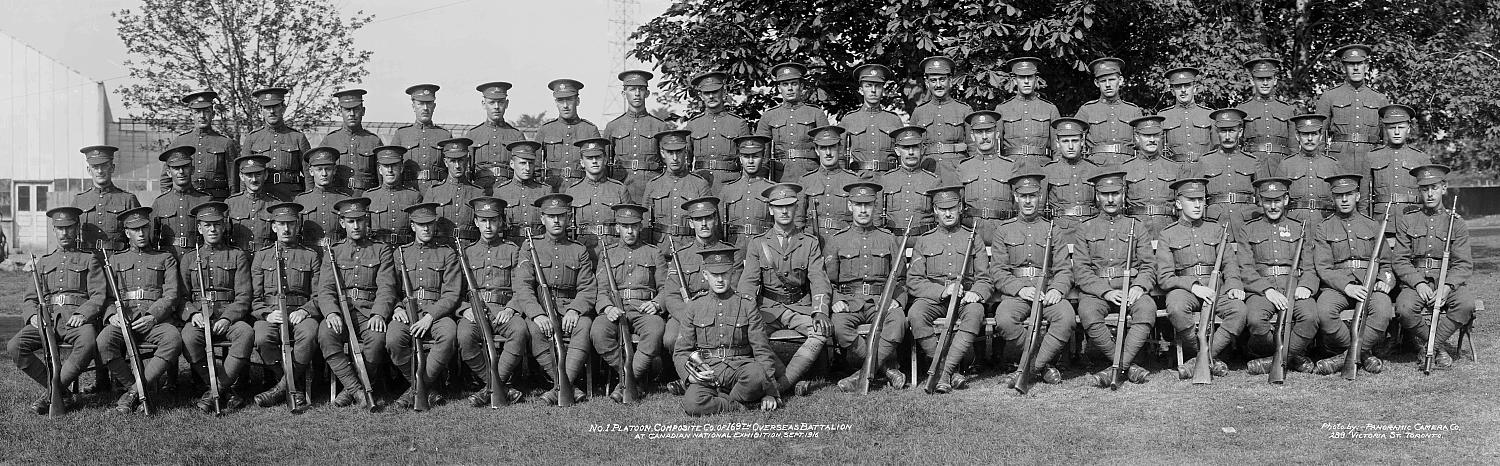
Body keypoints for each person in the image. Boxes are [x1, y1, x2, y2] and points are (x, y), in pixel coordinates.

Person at [9, 206, 104, 415]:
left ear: (77, 228)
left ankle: (51, 394)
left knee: (87, 343)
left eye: (69, 228)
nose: (64, 233)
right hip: (48, 320)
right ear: (53, 231)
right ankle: (63, 393)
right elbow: (30, 298)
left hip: (76, 320)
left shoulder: (90, 259)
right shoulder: (44, 263)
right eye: (59, 228)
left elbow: (98, 295)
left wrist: (83, 314)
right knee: (15, 346)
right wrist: (33, 316)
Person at [739, 183, 831, 396]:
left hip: (800, 307)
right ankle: (790, 380)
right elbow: (749, 282)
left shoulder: (809, 243)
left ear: (796, 207)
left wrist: (819, 311)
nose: (784, 211)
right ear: (770, 209)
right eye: (779, 206)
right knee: (751, 334)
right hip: (768, 308)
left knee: (821, 332)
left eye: (789, 206)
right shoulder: (758, 244)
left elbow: (819, 278)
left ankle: (781, 386)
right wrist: (748, 310)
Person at [1155, 177, 1247, 378]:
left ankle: (1201, 358)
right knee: (1176, 307)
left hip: (1217, 290)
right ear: (1179, 203)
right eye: (1191, 200)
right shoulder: (1167, 234)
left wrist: (1233, 285)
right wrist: (1194, 286)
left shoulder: (1216, 230)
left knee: (1239, 310)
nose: (1197, 205)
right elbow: (1164, 277)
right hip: (1185, 290)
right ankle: (1200, 353)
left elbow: (1229, 263)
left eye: (1201, 200)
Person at [990, 170, 1075, 386]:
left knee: (1065, 318)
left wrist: (1057, 290)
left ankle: (1028, 369)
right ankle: (1042, 363)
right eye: (1024, 196)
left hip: (1047, 292)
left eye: (1033, 196)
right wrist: (1019, 289)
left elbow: (1064, 268)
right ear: (1016, 198)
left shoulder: (1052, 230)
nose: (1028, 201)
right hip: (1017, 294)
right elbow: (998, 271)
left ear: (1040, 198)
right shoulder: (1003, 230)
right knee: (1004, 320)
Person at [1073, 170, 1157, 387]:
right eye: (1105, 194)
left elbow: (1149, 265)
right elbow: (1081, 271)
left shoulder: (1136, 227)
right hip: (1097, 291)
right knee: (1088, 312)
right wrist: (1106, 292)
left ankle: (1115, 368)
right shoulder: (1085, 228)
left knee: (1146, 309)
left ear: (1124, 194)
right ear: (1097, 196)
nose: (1110, 199)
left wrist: (1139, 287)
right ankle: (1127, 366)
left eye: (1116, 193)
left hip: (1130, 289)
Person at [676, 246, 781, 416]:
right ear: (705, 275)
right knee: (692, 404)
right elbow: (681, 351)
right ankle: (737, 405)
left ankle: (720, 399)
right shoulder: (695, 306)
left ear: (732, 273)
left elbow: (762, 350)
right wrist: (690, 377)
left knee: (756, 375)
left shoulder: (747, 304)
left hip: (740, 368)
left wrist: (770, 392)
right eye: (714, 275)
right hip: (707, 370)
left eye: (724, 274)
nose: (719, 280)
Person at [906, 185, 991, 393]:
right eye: (942, 209)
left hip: (964, 299)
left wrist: (976, 293)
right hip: (934, 299)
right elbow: (914, 280)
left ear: (960, 207)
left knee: (976, 312)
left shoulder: (973, 238)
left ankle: (943, 373)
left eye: (952, 208)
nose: (948, 213)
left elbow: (985, 278)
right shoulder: (924, 241)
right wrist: (941, 292)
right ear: (935, 210)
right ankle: (948, 371)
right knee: (916, 314)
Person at [98, 206, 183, 414]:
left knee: (173, 339)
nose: (141, 234)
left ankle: (132, 393)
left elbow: (171, 294)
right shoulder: (115, 261)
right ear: (127, 233)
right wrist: (112, 315)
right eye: (136, 230)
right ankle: (135, 388)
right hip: (124, 320)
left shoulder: (165, 258)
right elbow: (108, 296)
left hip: (155, 320)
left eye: (144, 228)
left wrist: (153, 317)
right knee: (103, 343)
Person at [514, 193, 597, 404]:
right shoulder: (530, 246)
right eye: (551, 217)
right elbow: (523, 286)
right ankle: (566, 385)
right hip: (542, 307)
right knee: (534, 329)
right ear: (542, 219)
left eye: (561, 216)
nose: (557, 221)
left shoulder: (579, 250)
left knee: (585, 325)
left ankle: (560, 386)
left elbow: (587, 287)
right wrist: (537, 314)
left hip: (569, 307)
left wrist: (575, 310)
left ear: (568, 218)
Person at [826, 182, 909, 391]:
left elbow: (902, 279)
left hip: (881, 301)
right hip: (849, 302)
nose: (863, 210)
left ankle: (860, 373)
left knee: (898, 320)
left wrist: (897, 300)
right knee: (839, 325)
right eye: (858, 205)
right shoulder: (837, 241)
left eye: (868, 205)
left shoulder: (888, 239)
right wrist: (836, 301)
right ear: (849, 206)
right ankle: (886, 368)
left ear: (875, 207)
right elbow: (828, 281)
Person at [1308, 173, 1393, 375]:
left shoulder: (1372, 225)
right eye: (1339, 196)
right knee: (1324, 312)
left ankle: (1345, 357)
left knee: (1382, 310)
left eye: (1349, 194)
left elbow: (1387, 263)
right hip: (1338, 285)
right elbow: (1324, 267)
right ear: (1333, 198)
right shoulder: (1324, 227)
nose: (1344, 200)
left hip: (1369, 282)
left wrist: (1384, 281)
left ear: (1357, 196)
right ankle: (1362, 354)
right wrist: (1347, 286)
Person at [316, 197, 397, 408]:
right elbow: (325, 289)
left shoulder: (381, 250)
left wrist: (379, 313)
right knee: (326, 335)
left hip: (369, 311)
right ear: (342, 223)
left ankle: (350, 390)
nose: (356, 225)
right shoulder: (333, 252)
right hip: (342, 312)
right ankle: (358, 391)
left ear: (366, 221)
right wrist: (331, 313)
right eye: (350, 221)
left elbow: (386, 287)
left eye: (360, 220)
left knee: (378, 339)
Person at [1392, 164, 1473, 369]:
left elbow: (1463, 263)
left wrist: (1446, 287)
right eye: (1425, 189)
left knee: (1465, 305)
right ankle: (1440, 348)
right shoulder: (1407, 220)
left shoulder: (1456, 223)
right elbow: (1400, 260)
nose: (1430, 193)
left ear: (1443, 188)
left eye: (1434, 188)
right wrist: (1418, 283)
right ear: (1419, 191)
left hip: (1446, 281)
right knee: (1404, 309)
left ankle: (1431, 346)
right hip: (1416, 280)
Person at [1238, 178, 1319, 375]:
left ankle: (1277, 359)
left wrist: (1306, 286)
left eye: (1277, 200)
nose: (1273, 206)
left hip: (1294, 286)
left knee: (1310, 318)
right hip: (1262, 289)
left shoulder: (1298, 228)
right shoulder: (1248, 229)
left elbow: (1309, 265)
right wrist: (1267, 290)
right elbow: (1246, 268)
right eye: (1267, 201)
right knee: (1256, 321)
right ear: (1260, 201)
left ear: (1286, 200)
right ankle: (1289, 356)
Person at [178, 201, 254, 413]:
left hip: (227, 317)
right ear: (200, 228)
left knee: (246, 333)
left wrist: (227, 318)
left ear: (224, 226)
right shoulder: (188, 259)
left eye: (217, 225)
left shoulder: (237, 255)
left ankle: (217, 388)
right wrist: (192, 314)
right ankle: (222, 390)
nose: (212, 230)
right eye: (207, 225)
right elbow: (182, 297)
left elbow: (243, 296)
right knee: (188, 337)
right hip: (200, 318)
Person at [453, 197, 528, 406]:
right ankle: (499, 387)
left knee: (520, 331)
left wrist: (512, 309)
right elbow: (456, 291)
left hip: (504, 310)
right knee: (464, 337)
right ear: (476, 222)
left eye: (493, 221)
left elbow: (521, 287)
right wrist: (465, 309)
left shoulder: (513, 251)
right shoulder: (466, 253)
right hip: (475, 311)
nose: (488, 226)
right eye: (483, 220)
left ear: (501, 222)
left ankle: (490, 388)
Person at [661, 196, 739, 396]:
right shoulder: (681, 255)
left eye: (709, 218)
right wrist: (689, 315)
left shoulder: (728, 253)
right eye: (698, 220)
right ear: (691, 223)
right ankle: (684, 375)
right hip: (686, 314)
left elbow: (734, 290)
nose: (704, 224)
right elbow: (670, 295)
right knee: (671, 338)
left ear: (716, 220)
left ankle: (710, 378)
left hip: (719, 311)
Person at [592, 203, 668, 403]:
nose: (630, 231)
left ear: (640, 227)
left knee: (656, 329)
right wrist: (607, 308)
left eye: (634, 226)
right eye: (625, 226)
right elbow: (600, 290)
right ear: (617, 228)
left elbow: (666, 287)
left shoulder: (654, 253)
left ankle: (625, 381)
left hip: (644, 310)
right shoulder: (607, 254)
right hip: (616, 309)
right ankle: (631, 378)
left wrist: (657, 304)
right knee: (598, 332)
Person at [249, 202, 323, 409]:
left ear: (298, 226)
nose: (286, 229)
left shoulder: (310, 256)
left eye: (291, 224)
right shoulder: (262, 256)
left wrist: (305, 310)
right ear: (273, 227)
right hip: (272, 313)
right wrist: (266, 315)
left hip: (301, 312)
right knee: (262, 338)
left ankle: (280, 389)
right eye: (281, 224)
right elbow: (255, 298)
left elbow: (318, 294)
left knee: (309, 335)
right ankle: (292, 385)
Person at [386, 202, 460, 409]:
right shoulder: (400, 253)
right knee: (393, 340)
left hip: (436, 311)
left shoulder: (447, 253)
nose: (426, 229)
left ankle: (417, 388)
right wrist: (397, 308)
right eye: (421, 224)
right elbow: (391, 288)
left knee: (449, 334)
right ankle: (428, 387)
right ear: (412, 227)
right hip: (406, 311)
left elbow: (452, 294)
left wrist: (430, 317)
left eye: (429, 224)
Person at [1314, 44, 1391, 173]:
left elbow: (1388, 139)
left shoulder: (1379, 99)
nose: (1356, 68)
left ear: (1366, 66)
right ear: (1343, 67)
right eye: (1350, 64)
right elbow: (1319, 135)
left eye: (1359, 63)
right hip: (1339, 161)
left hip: (1371, 159)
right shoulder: (1329, 96)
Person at [757, 62, 828, 181]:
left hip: (811, 173)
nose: (789, 88)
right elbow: (762, 154)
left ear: (801, 86)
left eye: (794, 84)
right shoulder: (769, 116)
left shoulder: (815, 113)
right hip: (781, 175)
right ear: (779, 88)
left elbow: (828, 147)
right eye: (785, 84)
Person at [607, 70, 671, 200]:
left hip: (652, 187)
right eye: (632, 89)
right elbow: (606, 163)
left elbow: (668, 162)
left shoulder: (660, 126)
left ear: (647, 93)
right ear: (623, 94)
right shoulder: (613, 127)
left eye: (641, 89)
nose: (637, 94)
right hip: (622, 187)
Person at [642, 129, 712, 244]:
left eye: (678, 152)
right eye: (670, 152)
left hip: (689, 249)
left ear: (685, 152)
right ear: (662, 153)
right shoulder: (653, 185)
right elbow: (645, 224)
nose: (675, 158)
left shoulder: (700, 184)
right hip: (660, 249)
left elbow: (710, 224)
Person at [684, 71, 750, 189]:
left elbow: (748, 160)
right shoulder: (693, 125)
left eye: (715, 92)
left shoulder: (738, 123)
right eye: (706, 93)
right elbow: (685, 162)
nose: (711, 96)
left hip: (730, 183)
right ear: (701, 96)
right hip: (700, 183)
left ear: (723, 92)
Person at [242, 87, 312, 199]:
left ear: (283, 108)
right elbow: (244, 172)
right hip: (262, 195)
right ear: (261, 110)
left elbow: (309, 173)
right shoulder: (252, 138)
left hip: (291, 195)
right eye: (267, 107)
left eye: (275, 106)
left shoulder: (297, 137)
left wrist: (310, 198)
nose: (271, 111)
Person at [167, 90, 238, 198]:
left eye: (206, 111)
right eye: (197, 112)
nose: (202, 116)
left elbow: (233, 180)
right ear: (192, 115)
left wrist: (232, 204)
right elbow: (166, 178)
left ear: (213, 114)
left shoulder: (225, 143)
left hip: (217, 199)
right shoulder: (180, 142)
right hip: (189, 198)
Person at [910, 55, 971, 178]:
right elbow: (911, 147)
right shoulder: (919, 112)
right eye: (933, 80)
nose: (938, 85)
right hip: (927, 171)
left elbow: (973, 147)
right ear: (927, 83)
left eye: (942, 79)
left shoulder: (964, 110)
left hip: (957, 170)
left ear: (951, 80)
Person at [1198, 108, 1261, 229]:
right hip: (1215, 222)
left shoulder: (1252, 161)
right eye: (1223, 131)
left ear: (1240, 132)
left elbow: (1261, 199)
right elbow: (1199, 199)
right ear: (1217, 132)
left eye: (1231, 131)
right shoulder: (1205, 161)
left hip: (1246, 222)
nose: (1227, 136)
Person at [1366, 104, 1431, 220]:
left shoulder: (1421, 158)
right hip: (1382, 222)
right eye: (1391, 128)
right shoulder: (1372, 157)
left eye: (1401, 127)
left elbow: (1431, 195)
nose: (1396, 132)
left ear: (1409, 129)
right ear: (1385, 129)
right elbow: (1363, 198)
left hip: (1413, 221)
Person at [1075, 57, 1145, 167]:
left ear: (1120, 80)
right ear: (1096, 83)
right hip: (1096, 167)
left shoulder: (1133, 111)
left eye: (1112, 80)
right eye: (1103, 81)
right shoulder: (1086, 110)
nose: (1108, 85)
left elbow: (1143, 145)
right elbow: (1072, 141)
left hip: (1128, 166)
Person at [564, 137, 630, 251]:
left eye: (598, 157)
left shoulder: (619, 189)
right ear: (582, 163)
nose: (594, 161)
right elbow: (567, 228)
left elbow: (630, 223)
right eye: (589, 158)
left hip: (614, 250)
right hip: (584, 251)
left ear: (605, 160)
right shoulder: (572, 191)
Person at [955, 111, 1016, 230]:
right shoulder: (963, 167)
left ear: (997, 134)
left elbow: (1018, 206)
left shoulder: (1010, 167)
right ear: (972, 136)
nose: (984, 137)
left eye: (988, 131)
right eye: (979, 132)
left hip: (1003, 232)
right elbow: (957, 206)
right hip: (972, 233)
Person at [536, 79, 602, 189]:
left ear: (577, 101)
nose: (565, 105)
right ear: (556, 102)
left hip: (583, 189)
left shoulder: (590, 130)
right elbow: (535, 167)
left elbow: (600, 166)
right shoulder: (545, 130)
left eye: (569, 100)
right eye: (561, 101)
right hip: (553, 190)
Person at [839, 63, 903, 175]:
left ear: (883, 89)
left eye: (878, 86)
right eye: (868, 85)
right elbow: (840, 156)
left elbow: (903, 155)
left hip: (888, 179)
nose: (873, 90)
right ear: (860, 90)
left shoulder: (894, 120)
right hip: (859, 180)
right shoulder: (849, 120)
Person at [73, 145, 140, 252]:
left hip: (118, 260)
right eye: (95, 167)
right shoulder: (79, 200)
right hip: (88, 260)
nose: (100, 171)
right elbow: (71, 234)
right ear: (89, 170)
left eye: (104, 166)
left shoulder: (127, 199)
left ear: (112, 168)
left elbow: (138, 235)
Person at [1235, 57, 1297, 174]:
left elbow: (1293, 144)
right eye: (1260, 79)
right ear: (1252, 81)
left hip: (1281, 164)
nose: (1264, 83)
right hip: (1253, 164)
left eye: (1268, 78)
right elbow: (1237, 143)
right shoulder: (1242, 109)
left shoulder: (1286, 109)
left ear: (1275, 80)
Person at [994, 57, 1060, 166]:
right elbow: (996, 147)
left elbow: (1057, 148)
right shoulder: (1002, 109)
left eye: (1029, 77)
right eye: (1021, 77)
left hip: (1042, 166)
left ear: (1036, 79)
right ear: (1014, 80)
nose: (1026, 82)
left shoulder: (1050, 109)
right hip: (1012, 166)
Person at [1122, 116, 1181, 235]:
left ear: (1161, 138)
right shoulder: (1125, 168)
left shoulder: (1174, 168)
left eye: (1156, 135)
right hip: (1137, 228)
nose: (1152, 139)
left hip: (1168, 227)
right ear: (1137, 138)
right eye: (1147, 136)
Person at [1278, 114, 1341, 224]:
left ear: (1321, 136)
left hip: (1325, 221)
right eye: (1305, 134)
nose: (1310, 139)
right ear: (1297, 136)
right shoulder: (1286, 165)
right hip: (1295, 222)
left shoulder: (1333, 165)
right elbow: (1278, 200)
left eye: (1314, 134)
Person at [798, 125, 861, 235]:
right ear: (817, 151)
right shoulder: (806, 181)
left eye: (832, 147)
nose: (828, 153)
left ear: (839, 148)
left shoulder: (853, 181)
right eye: (823, 148)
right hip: (813, 241)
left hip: (844, 243)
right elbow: (798, 220)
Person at [878, 126, 941, 237]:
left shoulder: (933, 181)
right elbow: (877, 218)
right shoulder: (886, 180)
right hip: (894, 241)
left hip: (924, 241)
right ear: (897, 151)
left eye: (915, 147)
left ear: (922, 149)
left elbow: (940, 220)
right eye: (906, 148)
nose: (911, 152)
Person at [1042, 117, 1099, 236]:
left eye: (1075, 140)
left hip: (1091, 230)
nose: (1071, 146)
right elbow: (1039, 210)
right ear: (1057, 143)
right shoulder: (1048, 171)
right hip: (1061, 232)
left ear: (1082, 141)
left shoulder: (1094, 170)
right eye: (1065, 141)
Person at [153, 146, 215, 254]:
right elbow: (151, 241)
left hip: (198, 258)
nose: (181, 172)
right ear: (168, 173)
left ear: (192, 170)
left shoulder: (205, 200)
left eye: (185, 167)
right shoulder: (160, 203)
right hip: (170, 259)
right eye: (176, 168)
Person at [425, 138, 489, 243]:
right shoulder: (434, 191)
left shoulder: (478, 192)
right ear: (445, 162)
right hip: (442, 247)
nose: (457, 166)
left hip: (469, 248)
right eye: (453, 161)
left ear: (467, 161)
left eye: (461, 160)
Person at [391, 84, 452, 192]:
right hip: (409, 190)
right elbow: (391, 166)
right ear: (413, 106)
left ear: (434, 106)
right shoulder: (402, 134)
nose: (425, 108)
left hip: (437, 191)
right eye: (420, 104)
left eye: (429, 104)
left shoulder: (444, 135)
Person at [293, 147, 360, 245]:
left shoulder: (345, 200)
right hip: (310, 253)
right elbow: (295, 234)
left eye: (328, 169)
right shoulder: (301, 200)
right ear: (311, 172)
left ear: (334, 170)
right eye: (319, 170)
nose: (324, 174)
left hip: (338, 254)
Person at [319, 88, 382, 191]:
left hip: (366, 197)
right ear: (340, 112)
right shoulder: (330, 140)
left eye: (356, 109)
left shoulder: (374, 141)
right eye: (347, 110)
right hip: (338, 197)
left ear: (363, 111)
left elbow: (381, 178)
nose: (352, 114)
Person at [465, 82, 525, 190]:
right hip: (480, 189)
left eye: (501, 102)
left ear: (507, 104)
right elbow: (467, 170)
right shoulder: (473, 135)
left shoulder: (516, 135)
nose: (496, 107)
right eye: (492, 102)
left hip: (509, 189)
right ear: (484, 104)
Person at [492, 140, 553, 244]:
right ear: (512, 163)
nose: (527, 168)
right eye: (522, 163)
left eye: (531, 163)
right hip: (511, 244)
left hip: (539, 244)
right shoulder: (501, 192)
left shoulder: (545, 190)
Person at [718, 135, 775, 246]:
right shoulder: (727, 190)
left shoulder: (772, 189)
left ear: (763, 158)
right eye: (746, 156)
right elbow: (718, 228)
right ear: (740, 158)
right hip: (734, 248)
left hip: (764, 248)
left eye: (755, 156)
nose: (750, 161)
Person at [363, 146, 423, 245]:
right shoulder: (369, 196)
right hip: (379, 249)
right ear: (380, 170)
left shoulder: (414, 196)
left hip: (405, 249)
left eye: (394, 165)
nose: (390, 170)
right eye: (386, 166)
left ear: (401, 168)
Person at [226, 155, 285, 251]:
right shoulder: (231, 203)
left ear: (265, 175)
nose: (254, 179)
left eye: (258, 174)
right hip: (239, 258)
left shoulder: (276, 205)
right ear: (241, 176)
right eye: (249, 175)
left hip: (266, 260)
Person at [1156, 66, 1214, 162]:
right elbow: (1159, 152)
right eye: (1178, 86)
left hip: (1204, 170)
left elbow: (1216, 148)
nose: (1183, 90)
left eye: (1187, 85)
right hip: (1175, 171)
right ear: (1172, 91)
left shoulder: (1209, 115)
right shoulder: (1164, 116)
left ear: (1194, 88)